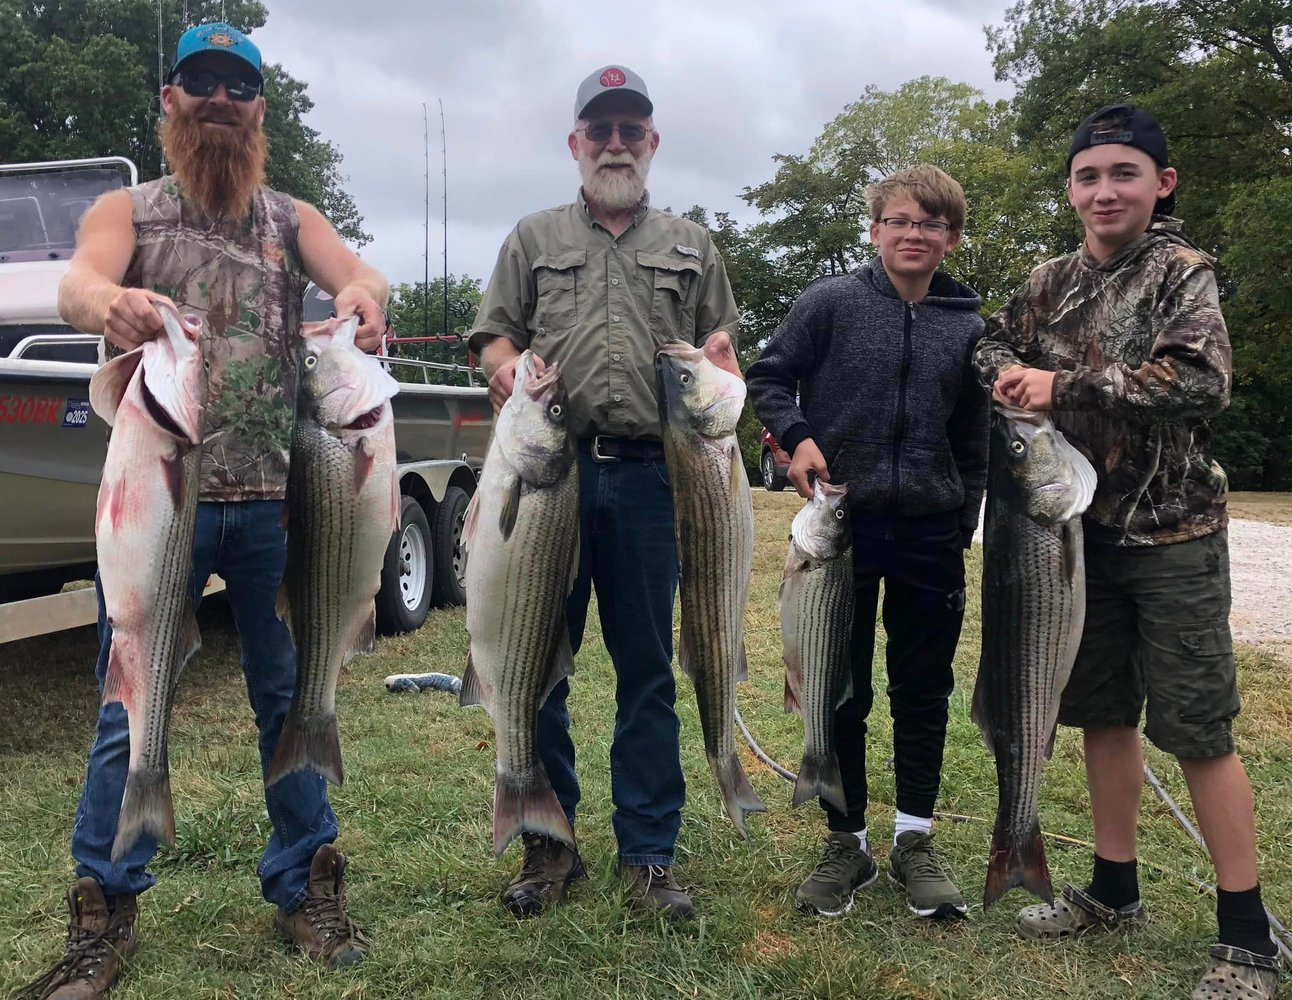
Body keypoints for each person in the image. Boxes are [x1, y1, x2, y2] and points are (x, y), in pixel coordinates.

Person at [16, 22, 386, 1000]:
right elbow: (77, 279)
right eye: (201, 83)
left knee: (290, 700)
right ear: (170, 101)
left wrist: (360, 294)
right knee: (125, 704)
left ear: (259, 110)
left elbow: (356, 271)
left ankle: (306, 882)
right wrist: (108, 307)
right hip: (155, 503)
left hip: (274, 505)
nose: (220, 98)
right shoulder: (128, 209)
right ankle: (104, 909)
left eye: (238, 85)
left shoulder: (287, 215)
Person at [974, 104, 1278, 999]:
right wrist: (1004, 372)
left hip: (1173, 534)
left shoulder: (1182, 273)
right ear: (1070, 189)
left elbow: (1199, 379)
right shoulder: (1047, 281)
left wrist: (1060, 382)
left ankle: (1246, 936)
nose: (1105, 191)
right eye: (1089, 176)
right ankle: (1113, 890)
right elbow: (989, 340)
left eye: (1123, 174)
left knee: (1196, 729)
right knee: (1102, 716)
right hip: (1075, 537)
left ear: (1161, 184)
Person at [468, 64, 740, 923]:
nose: (615, 144)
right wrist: (505, 365)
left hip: (658, 482)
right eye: (601, 130)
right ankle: (549, 844)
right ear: (577, 143)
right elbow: (493, 335)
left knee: (649, 671)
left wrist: (725, 357)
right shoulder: (532, 235)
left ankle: (649, 855)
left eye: (631, 130)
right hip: (551, 472)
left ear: (651, 143)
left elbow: (720, 345)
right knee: (538, 660)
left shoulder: (694, 244)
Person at [747, 165, 987, 921]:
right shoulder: (830, 303)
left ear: (950, 237)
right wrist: (798, 439)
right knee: (839, 687)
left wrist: (963, 521)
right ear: (874, 228)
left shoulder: (968, 327)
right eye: (900, 220)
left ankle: (914, 840)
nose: (914, 234)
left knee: (924, 690)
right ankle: (844, 841)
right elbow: (769, 377)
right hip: (841, 532)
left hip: (929, 532)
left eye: (931, 224)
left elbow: (974, 439)